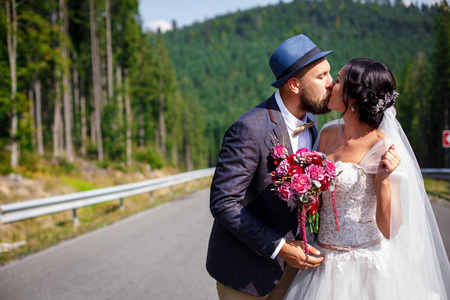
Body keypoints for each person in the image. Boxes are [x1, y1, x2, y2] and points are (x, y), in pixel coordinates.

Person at [284, 58, 450, 300]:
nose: (331, 85)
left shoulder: (383, 146)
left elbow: (390, 229)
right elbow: (321, 202)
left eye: (338, 80)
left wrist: (383, 179)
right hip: (323, 262)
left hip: (365, 267)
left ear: (352, 97)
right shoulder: (327, 133)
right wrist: (307, 195)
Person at [206, 34, 334, 299]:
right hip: (245, 277)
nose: (331, 84)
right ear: (295, 84)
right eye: (321, 77)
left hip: (296, 273)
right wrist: (281, 247)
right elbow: (223, 203)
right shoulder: (249, 128)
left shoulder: (312, 121)